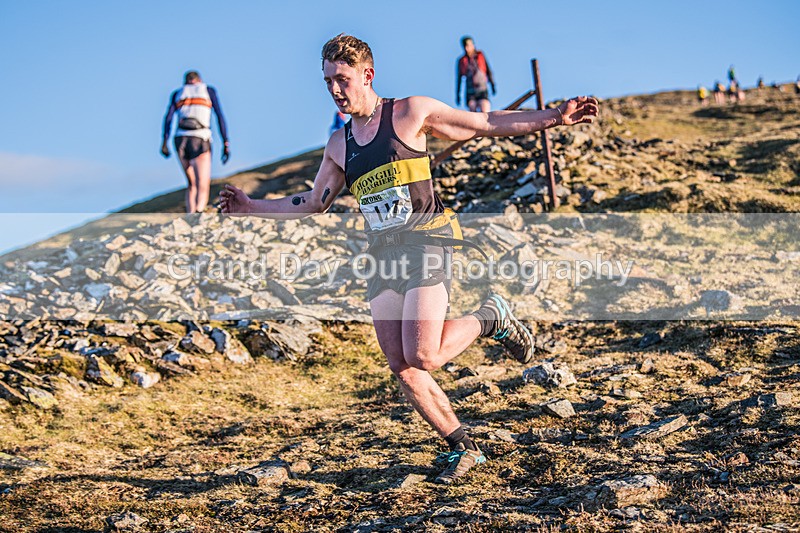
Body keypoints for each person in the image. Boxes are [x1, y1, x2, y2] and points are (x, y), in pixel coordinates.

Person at [219, 34, 598, 484]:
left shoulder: (409, 112)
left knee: (425, 353)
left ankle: (490, 317)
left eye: (342, 79)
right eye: (327, 82)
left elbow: (485, 121)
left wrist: (554, 116)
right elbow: (313, 202)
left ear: (367, 75)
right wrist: (251, 206)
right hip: (383, 258)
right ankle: (465, 447)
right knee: (403, 365)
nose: (336, 90)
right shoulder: (339, 146)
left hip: (425, 240)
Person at [162, 70, 230, 213]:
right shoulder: (208, 91)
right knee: (202, 183)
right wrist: (226, 142)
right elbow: (219, 116)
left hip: (180, 139)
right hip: (200, 137)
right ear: (199, 80)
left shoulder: (178, 94)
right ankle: (199, 212)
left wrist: (165, 141)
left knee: (191, 183)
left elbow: (168, 118)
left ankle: (191, 213)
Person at [456, 36, 496, 112]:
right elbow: (459, 79)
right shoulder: (461, 61)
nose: (467, 48)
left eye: (469, 45)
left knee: (484, 108)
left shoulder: (480, 55)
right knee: (472, 108)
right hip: (470, 92)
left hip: (482, 90)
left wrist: (492, 84)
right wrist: (458, 95)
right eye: (465, 46)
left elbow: (488, 70)